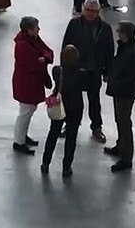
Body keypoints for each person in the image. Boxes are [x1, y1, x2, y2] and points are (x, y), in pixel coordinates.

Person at [62, 0, 115, 143]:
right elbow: (66, 46)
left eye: (94, 11)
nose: (91, 13)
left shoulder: (105, 28)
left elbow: (109, 50)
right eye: (88, 10)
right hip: (76, 69)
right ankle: (70, 124)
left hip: (94, 70)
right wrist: (65, 68)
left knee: (94, 100)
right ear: (83, 9)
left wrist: (107, 71)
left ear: (98, 11)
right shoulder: (74, 24)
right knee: (72, 100)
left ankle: (96, 127)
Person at [11, 16, 54, 155]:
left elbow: (47, 53)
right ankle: (19, 141)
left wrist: (43, 59)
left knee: (28, 110)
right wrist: (42, 59)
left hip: (30, 83)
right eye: (36, 27)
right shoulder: (23, 45)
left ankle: (23, 136)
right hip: (26, 84)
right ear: (29, 30)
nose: (39, 29)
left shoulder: (32, 40)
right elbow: (33, 64)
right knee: (26, 112)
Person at [105, 20, 135, 172]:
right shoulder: (127, 47)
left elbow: (130, 76)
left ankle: (126, 158)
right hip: (122, 91)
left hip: (125, 93)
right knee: (120, 120)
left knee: (124, 123)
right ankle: (121, 147)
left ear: (125, 34)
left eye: (119, 31)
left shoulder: (131, 52)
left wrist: (114, 82)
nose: (117, 34)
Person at [40, 44, 83, 177]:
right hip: (75, 107)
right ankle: (66, 167)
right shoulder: (81, 74)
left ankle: (45, 162)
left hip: (59, 105)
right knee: (71, 137)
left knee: (53, 133)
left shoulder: (57, 71)